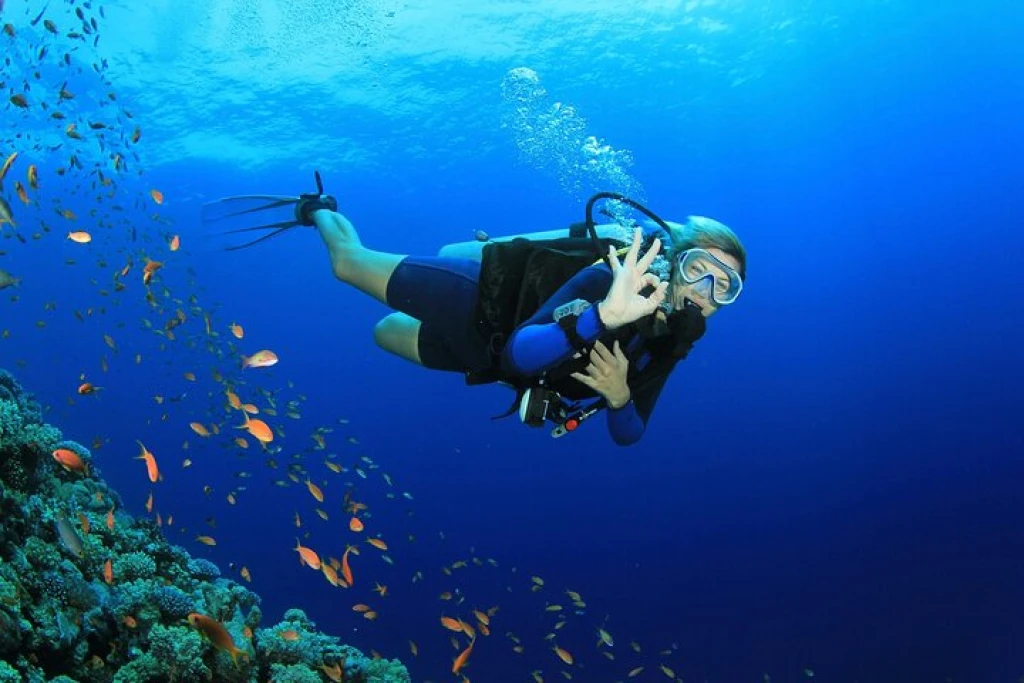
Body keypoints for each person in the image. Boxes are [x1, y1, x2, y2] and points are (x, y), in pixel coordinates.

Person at [205, 178, 746, 445]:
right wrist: (601, 316)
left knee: (382, 333)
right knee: (348, 266)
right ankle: (317, 208)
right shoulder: (611, 277)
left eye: (726, 287)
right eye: (700, 268)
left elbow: (629, 434)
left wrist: (622, 394)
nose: (705, 291)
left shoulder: (667, 343)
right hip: (483, 300)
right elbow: (521, 349)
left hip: (483, 356)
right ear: (674, 262)